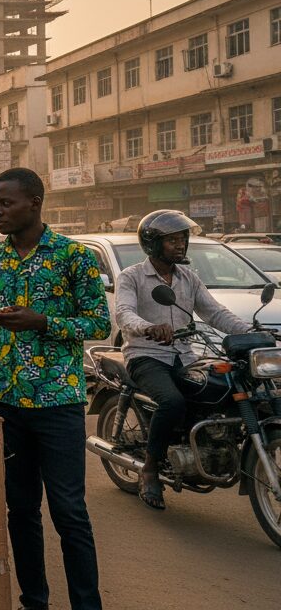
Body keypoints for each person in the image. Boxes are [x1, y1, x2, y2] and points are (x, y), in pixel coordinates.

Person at [0, 167, 109, 610]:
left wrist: (43, 322)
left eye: (6, 203)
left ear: (34, 203)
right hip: (6, 403)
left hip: (58, 402)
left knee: (69, 512)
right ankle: (34, 601)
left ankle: (87, 604)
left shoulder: (74, 256)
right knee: (20, 510)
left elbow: (98, 322)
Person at [114, 210, 252, 511]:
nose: (180, 245)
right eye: (172, 240)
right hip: (146, 355)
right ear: (153, 244)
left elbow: (215, 313)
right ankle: (150, 469)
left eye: (182, 239)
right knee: (172, 402)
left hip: (186, 355)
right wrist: (148, 328)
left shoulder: (189, 278)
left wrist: (252, 332)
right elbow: (124, 313)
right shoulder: (132, 276)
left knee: (221, 390)